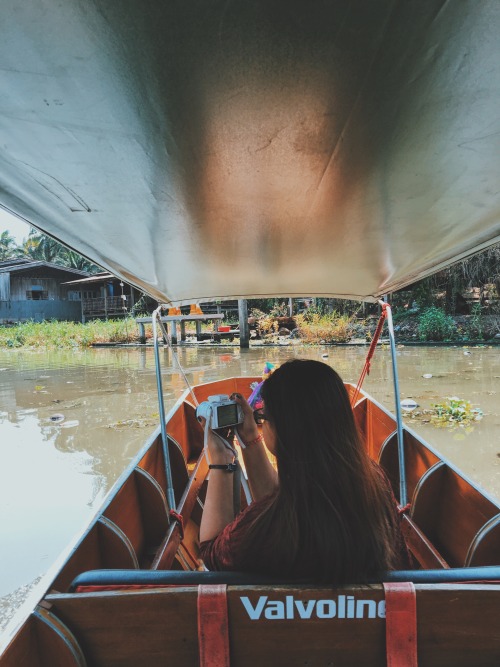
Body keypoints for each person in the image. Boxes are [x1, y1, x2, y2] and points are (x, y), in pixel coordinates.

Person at [199, 359, 410, 583]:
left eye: (263, 418)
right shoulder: (372, 482)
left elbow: (213, 555)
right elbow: (276, 499)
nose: (262, 424)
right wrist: (250, 439)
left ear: (286, 429)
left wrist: (221, 460)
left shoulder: (270, 528)